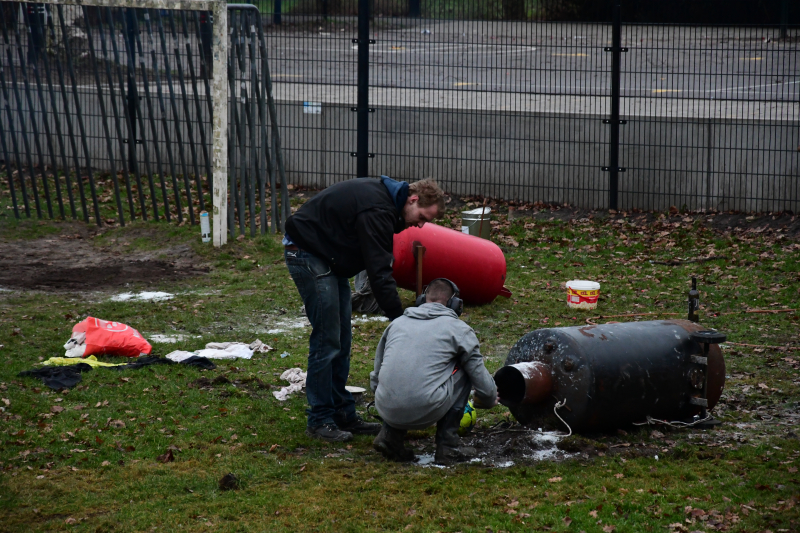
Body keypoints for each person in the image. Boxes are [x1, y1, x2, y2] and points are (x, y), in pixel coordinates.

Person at [283, 176, 445, 442]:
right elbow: (379, 272)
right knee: (328, 340)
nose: (420, 224)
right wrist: (403, 320)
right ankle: (320, 419)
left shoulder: (386, 203)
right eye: (422, 217)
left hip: (327, 256)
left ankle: (343, 413)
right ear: (413, 199)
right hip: (306, 251)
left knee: (342, 339)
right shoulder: (378, 211)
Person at [370, 278, 498, 465]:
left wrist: (385, 398)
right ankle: (448, 447)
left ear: (422, 299)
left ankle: (390, 436)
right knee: (464, 367)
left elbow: (376, 374)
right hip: (425, 407)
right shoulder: (459, 330)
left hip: (385, 406)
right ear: (455, 304)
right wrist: (488, 399)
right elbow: (480, 379)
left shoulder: (396, 324)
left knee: (402, 368)